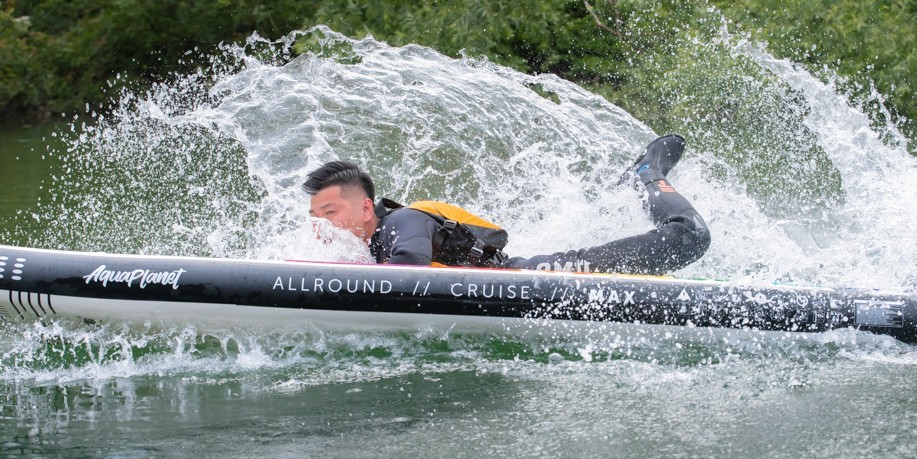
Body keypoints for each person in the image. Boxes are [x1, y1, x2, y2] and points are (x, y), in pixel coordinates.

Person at [301, 136, 711, 275]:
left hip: (534, 275)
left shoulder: (402, 222)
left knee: (689, 238)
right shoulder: (370, 248)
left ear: (366, 209)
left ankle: (646, 172)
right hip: (519, 273)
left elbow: (409, 265)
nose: (322, 226)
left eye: (331, 213)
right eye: (315, 217)